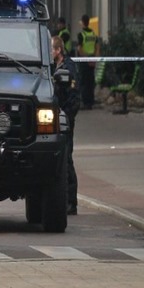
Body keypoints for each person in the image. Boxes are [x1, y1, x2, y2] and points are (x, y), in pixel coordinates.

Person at [52, 35, 81, 215]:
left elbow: (74, 97)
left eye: (51, 49)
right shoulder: (53, 67)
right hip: (53, 120)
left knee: (67, 159)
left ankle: (72, 202)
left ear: (58, 51)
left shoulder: (68, 69)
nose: (49, 52)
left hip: (65, 121)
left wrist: (67, 118)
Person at [76, 14, 100, 110]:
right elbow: (97, 48)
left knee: (83, 82)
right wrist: (94, 59)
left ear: (82, 22)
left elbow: (79, 49)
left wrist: (86, 59)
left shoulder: (81, 35)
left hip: (84, 60)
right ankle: (90, 101)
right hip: (92, 60)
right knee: (90, 81)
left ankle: (85, 102)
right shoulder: (93, 34)